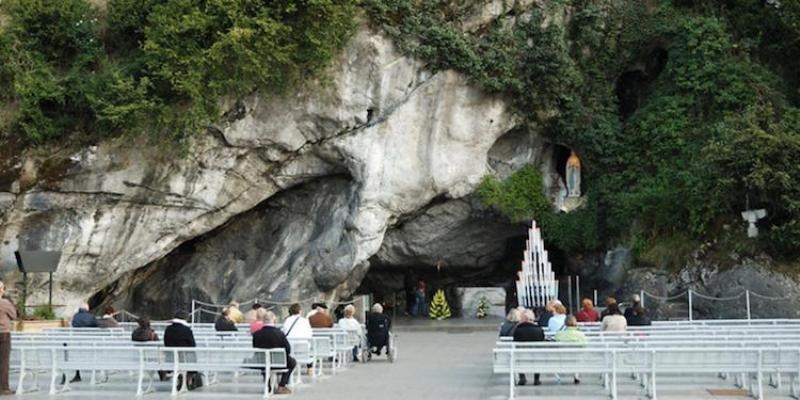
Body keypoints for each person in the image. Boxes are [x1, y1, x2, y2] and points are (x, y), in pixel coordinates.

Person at [252, 311, 295, 395]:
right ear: (274, 320)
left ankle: (268, 386)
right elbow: (288, 349)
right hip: (279, 363)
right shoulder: (279, 333)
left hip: (262, 362)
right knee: (292, 362)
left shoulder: (256, 334)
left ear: (263, 321)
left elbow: (255, 349)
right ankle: (282, 385)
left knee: (263, 360)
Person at [164, 310, 201, 390]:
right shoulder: (187, 330)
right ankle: (189, 380)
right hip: (185, 359)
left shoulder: (168, 329)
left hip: (171, 359)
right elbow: (192, 344)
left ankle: (181, 378)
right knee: (191, 356)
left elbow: (166, 343)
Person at [513, 309, 544, 386]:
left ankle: (522, 377)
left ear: (524, 319)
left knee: (518, 355)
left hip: (521, 357)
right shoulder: (539, 330)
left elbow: (515, 343)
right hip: (536, 357)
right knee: (538, 356)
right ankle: (536, 379)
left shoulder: (518, 330)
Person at [68, 303, 97, 383]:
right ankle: (94, 374)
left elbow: (73, 325)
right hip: (89, 342)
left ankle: (78, 374)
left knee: (78, 354)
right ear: (87, 309)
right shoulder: (91, 317)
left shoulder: (75, 316)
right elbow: (96, 326)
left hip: (78, 341)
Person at [282, 303, 313, 375]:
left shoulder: (287, 320)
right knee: (309, 347)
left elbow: (284, 332)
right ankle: (310, 368)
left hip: (290, 346)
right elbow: (309, 334)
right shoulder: (305, 321)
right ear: (300, 311)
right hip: (303, 347)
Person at [554, 316, 586, 384]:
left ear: (565, 323)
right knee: (577, 358)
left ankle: (558, 377)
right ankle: (576, 376)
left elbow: (556, 344)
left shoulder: (559, 334)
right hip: (577, 359)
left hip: (562, 359)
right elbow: (584, 346)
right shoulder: (581, 334)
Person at [0, 281, 17, 395]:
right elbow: (14, 316)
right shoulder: (4, 302)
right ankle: (3, 387)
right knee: (4, 361)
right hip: (3, 333)